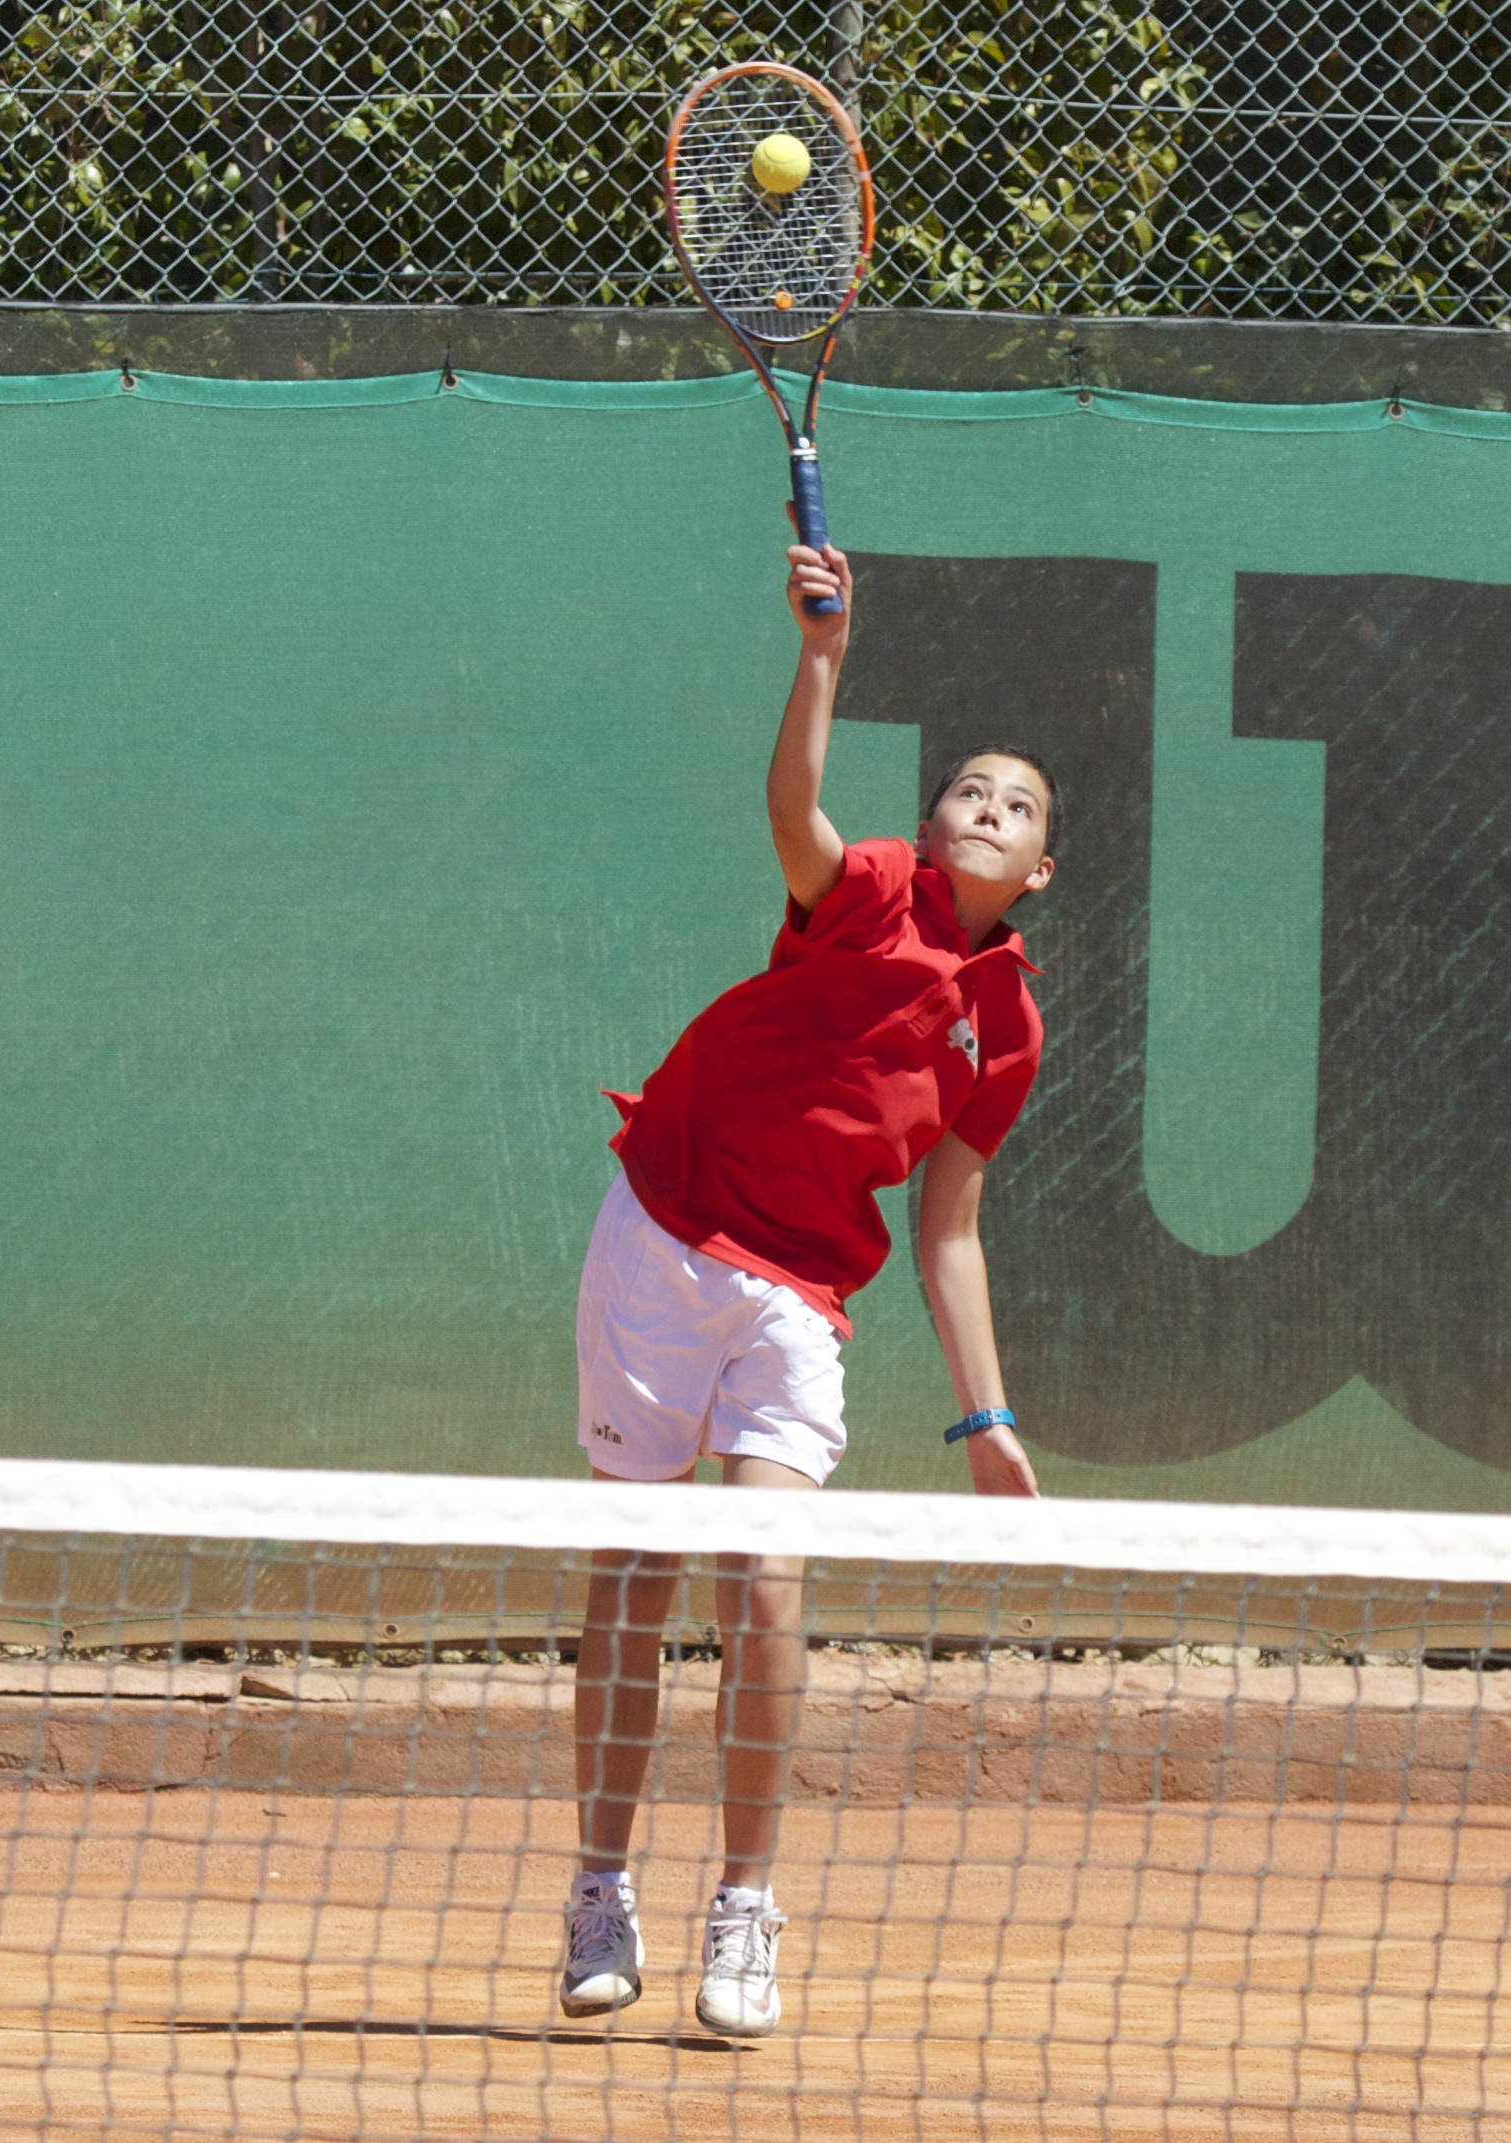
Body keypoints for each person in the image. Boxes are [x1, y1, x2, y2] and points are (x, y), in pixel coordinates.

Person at [561, 528, 1057, 2039]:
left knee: (766, 1582)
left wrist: (988, 1421)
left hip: (798, 1298)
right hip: (663, 1234)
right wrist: (821, 652)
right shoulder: (872, 890)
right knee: (633, 1578)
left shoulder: (1009, 1033)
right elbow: (792, 810)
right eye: (969, 787)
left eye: (1018, 804)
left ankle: (745, 1906)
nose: (987, 805)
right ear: (935, 821)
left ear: (1040, 870)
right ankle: (601, 1885)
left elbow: (950, 1231)